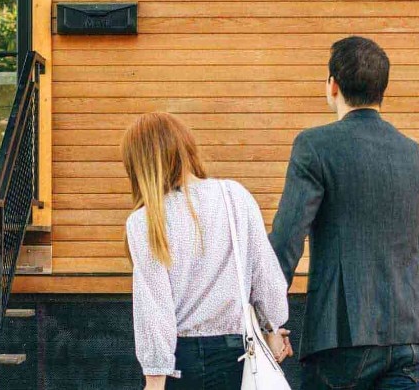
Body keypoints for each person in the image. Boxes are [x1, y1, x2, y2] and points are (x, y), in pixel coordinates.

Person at [269, 36, 419, 390]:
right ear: (382, 90)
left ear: (333, 86)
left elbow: (287, 240)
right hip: (408, 335)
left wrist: (266, 318)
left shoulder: (314, 147)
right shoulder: (417, 156)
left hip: (340, 336)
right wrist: (415, 301)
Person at [122, 112, 292, 390]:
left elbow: (154, 311)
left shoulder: (144, 221)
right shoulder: (235, 196)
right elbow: (266, 276)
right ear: (186, 146)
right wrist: (273, 329)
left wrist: (154, 382)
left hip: (180, 362)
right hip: (237, 356)